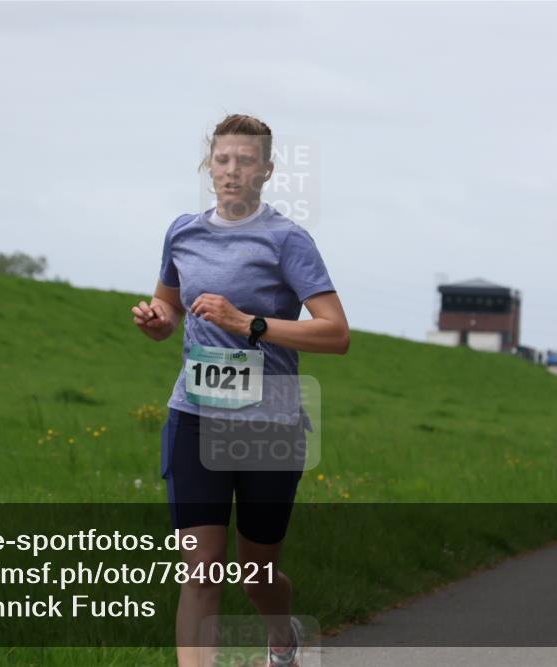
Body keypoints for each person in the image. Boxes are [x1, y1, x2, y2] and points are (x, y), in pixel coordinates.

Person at [131, 113, 350, 667]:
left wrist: (247, 322)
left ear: (267, 170)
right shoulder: (183, 230)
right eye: (222, 159)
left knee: (258, 575)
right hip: (196, 413)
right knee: (201, 568)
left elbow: (335, 333)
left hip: (269, 421)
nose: (231, 171)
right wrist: (157, 319)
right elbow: (171, 303)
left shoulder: (287, 241)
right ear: (209, 165)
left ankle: (282, 638)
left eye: (245, 161)